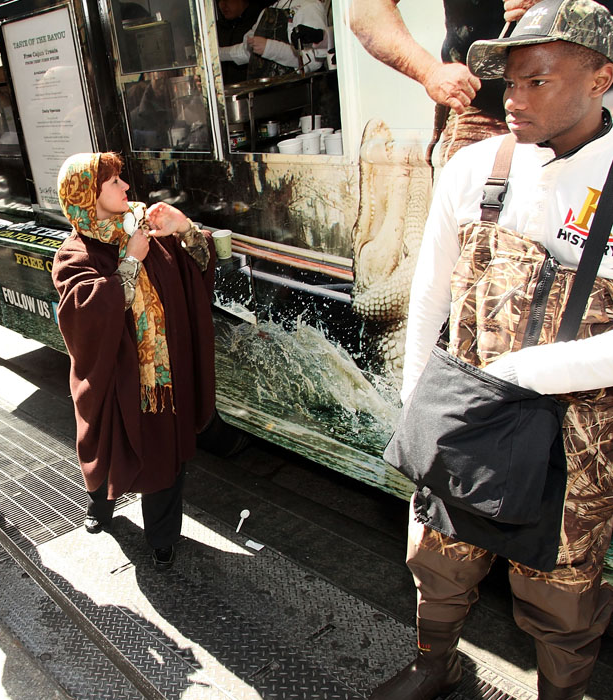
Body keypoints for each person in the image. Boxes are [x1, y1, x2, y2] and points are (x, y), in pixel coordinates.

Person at [377, 1, 613, 699]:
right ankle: (435, 666)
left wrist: (523, 372)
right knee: (439, 557)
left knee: (563, 594)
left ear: (602, 79)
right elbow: (430, 290)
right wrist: (417, 399)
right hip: (471, 415)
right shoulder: (477, 165)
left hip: (577, 435)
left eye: (537, 81)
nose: (512, 99)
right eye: (508, 83)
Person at [52, 152, 216, 569]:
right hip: (115, 383)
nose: (126, 187)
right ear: (88, 196)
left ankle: (162, 537)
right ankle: (100, 507)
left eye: (122, 179)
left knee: (166, 456)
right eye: (113, 183)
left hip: (162, 378)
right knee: (106, 452)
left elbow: (197, 269)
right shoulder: (76, 252)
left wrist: (185, 229)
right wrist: (130, 263)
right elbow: (82, 316)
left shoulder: (144, 228)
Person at [349, 0, 613, 162]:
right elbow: (366, 9)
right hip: (482, 114)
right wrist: (429, 72)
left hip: (594, 109)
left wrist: (560, 9)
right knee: (475, 235)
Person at [219, 0, 328, 80]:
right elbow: (245, 51)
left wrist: (270, 48)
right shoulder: (270, 9)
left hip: (297, 95)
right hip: (269, 95)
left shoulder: (309, 6)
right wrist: (215, 54)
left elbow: (315, 60)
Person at [217, 0, 263, 84]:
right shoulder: (215, 29)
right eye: (220, 0)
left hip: (254, 90)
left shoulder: (259, 22)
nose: (223, 5)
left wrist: (215, 54)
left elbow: (246, 53)